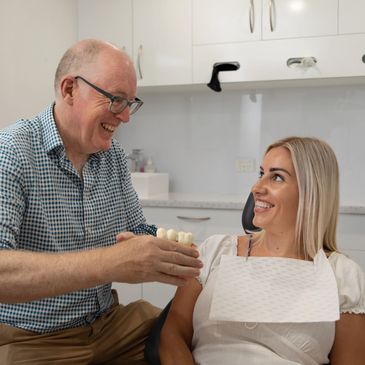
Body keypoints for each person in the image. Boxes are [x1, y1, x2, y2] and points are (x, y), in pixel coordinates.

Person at [0, 39, 203, 364]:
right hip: (34, 338)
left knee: (197, 336)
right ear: (69, 90)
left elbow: (137, 230)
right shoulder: (12, 152)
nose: (125, 117)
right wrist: (112, 262)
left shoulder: (113, 157)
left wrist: (176, 253)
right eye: (115, 100)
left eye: (130, 103)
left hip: (110, 325)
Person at [160, 136, 365, 365]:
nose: (256, 188)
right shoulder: (215, 251)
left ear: (311, 192)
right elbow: (172, 333)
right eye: (261, 174)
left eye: (277, 177)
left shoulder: (342, 276)